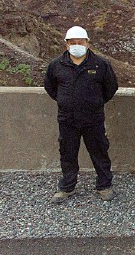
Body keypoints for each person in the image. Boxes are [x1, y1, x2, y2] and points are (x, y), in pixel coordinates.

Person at [44, 26, 118, 203]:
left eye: (80, 42)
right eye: (73, 43)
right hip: (67, 119)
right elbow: (51, 88)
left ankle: (104, 185)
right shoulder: (56, 65)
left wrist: (95, 103)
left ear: (87, 43)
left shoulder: (100, 64)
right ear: (66, 44)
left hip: (93, 118)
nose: (77, 45)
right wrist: (65, 102)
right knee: (68, 153)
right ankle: (67, 187)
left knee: (99, 151)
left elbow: (111, 88)